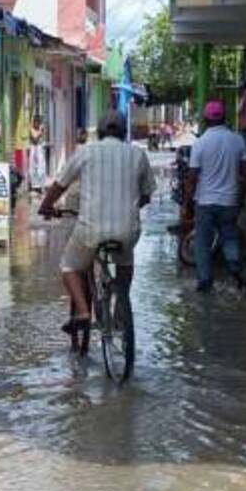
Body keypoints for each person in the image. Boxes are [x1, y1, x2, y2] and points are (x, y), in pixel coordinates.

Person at [37, 111, 154, 335]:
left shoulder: (86, 152)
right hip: (127, 230)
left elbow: (59, 185)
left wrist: (45, 206)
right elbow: (147, 196)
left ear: (99, 133)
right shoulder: (138, 155)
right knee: (125, 261)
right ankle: (122, 304)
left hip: (90, 228)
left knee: (69, 266)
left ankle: (82, 311)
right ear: (124, 132)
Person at [183, 100, 246, 292]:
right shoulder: (237, 140)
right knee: (229, 236)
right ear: (224, 118)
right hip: (229, 201)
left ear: (205, 119)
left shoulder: (201, 143)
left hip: (205, 202)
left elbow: (192, 177)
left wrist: (187, 203)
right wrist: (241, 197)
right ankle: (234, 263)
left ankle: (205, 280)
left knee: (203, 242)